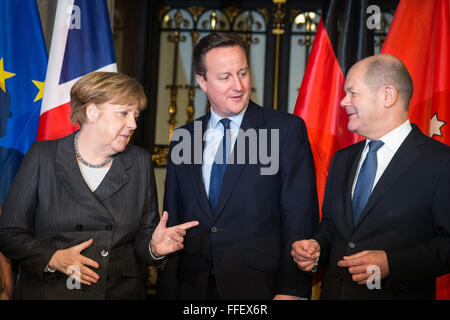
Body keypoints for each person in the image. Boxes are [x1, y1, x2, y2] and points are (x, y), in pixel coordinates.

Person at [0, 72, 198, 299]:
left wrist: (153, 247)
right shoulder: (42, 156)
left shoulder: (139, 161)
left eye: (135, 115)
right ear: (92, 111)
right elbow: (8, 233)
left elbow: (144, 234)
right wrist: (53, 258)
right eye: (123, 113)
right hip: (52, 291)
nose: (133, 124)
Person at [157, 32, 319, 300]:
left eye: (242, 73)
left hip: (260, 290)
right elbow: (172, 221)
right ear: (202, 81)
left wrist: (292, 290)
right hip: (193, 289)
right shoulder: (183, 138)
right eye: (225, 77)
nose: (238, 86)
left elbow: (299, 215)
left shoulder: (286, 130)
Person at [292, 54, 450, 299]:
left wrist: (391, 263)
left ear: (388, 95)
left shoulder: (440, 161)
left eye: (353, 92)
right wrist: (316, 249)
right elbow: (332, 227)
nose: (343, 101)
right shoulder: (342, 159)